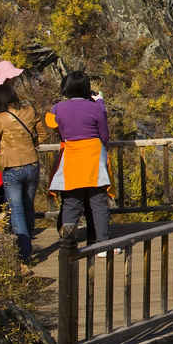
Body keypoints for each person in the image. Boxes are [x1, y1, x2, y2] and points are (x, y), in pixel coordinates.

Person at [45, 70, 112, 247]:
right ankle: (102, 244)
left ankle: (67, 244)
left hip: (71, 156)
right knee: (98, 202)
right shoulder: (96, 108)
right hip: (93, 156)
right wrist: (100, 103)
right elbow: (104, 136)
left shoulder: (58, 108)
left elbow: (52, 124)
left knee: (71, 202)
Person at [0, 61, 41, 266]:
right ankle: (30, 238)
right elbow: (41, 134)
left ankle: (24, 256)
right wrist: (31, 143)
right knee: (28, 206)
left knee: (16, 209)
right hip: (32, 164)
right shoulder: (29, 111)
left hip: (11, 167)